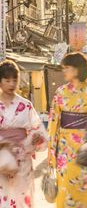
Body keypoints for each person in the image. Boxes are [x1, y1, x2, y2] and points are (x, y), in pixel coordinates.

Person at [48, 52, 87, 208]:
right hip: (65, 154)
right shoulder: (60, 93)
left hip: (86, 152)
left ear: (78, 69)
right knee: (64, 195)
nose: (64, 71)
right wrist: (51, 155)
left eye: (67, 67)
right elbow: (53, 125)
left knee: (84, 195)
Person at [0, 60, 47, 207]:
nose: (11, 84)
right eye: (7, 80)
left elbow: (37, 129)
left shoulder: (26, 105)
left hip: (22, 159)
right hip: (1, 159)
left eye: (14, 80)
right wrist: (4, 146)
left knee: (22, 200)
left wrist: (31, 142)